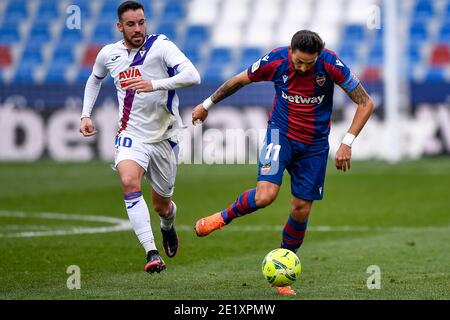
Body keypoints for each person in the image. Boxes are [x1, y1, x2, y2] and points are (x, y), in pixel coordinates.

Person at [192, 30, 373, 295]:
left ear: (318, 57)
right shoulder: (275, 60)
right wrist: (207, 103)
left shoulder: (331, 64)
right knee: (266, 196)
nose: (302, 67)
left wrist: (347, 142)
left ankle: (282, 271)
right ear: (291, 51)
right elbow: (239, 81)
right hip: (281, 135)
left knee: (301, 208)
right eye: (299, 61)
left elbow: (365, 102)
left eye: (308, 64)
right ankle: (222, 217)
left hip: (314, 145)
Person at [79, 1, 200, 274]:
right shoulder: (109, 54)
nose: (138, 29)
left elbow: (193, 75)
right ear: (119, 27)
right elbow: (94, 79)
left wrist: (153, 84)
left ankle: (168, 226)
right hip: (131, 135)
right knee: (129, 182)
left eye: (141, 22)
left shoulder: (161, 46)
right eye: (131, 24)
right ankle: (152, 253)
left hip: (165, 138)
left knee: (162, 205)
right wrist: (86, 114)